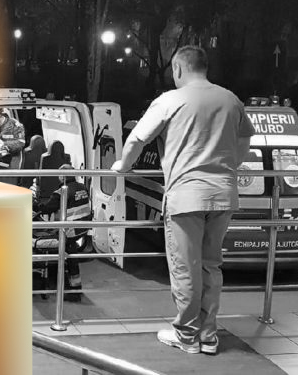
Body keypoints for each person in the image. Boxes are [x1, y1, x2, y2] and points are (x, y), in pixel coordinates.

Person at [111, 45, 254, 355]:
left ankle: (187, 335)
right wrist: (231, 164)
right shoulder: (230, 100)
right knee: (211, 266)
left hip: (186, 195)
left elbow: (137, 138)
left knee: (185, 267)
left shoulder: (170, 100)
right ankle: (208, 335)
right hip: (223, 194)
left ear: (177, 68)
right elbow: (245, 139)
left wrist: (123, 166)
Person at [32, 164, 92, 302]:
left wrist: (34, 204)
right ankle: (75, 287)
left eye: (59, 175)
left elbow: (47, 208)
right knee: (72, 255)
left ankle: (74, 291)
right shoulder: (83, 187)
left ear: (63, 177)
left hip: (70, 230)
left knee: (70, 256)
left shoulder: (61, 192)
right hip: (83, 228)